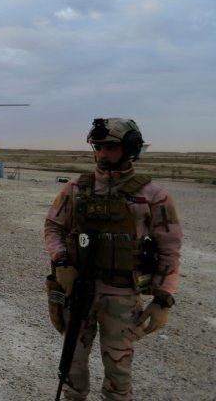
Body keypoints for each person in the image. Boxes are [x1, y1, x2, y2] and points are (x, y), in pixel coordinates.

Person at [44, 118, 182, 400]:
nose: (102, 154)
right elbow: (53, 227)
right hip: (78, 291)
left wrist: (163, 299)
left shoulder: (153, 196)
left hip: (121, 296)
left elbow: (169, 248)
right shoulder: (75, 189)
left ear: (130, 149)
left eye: (110, 148)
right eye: (98, 147)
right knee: (72, 366)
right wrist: (61, 263)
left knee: (118, 373)